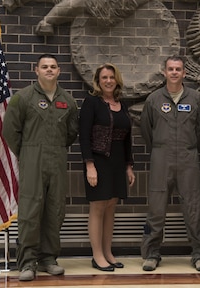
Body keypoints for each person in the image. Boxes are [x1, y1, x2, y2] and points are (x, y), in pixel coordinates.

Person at [2, 54, 79, 281]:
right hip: (32, 159)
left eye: (53, 67)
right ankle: (27, 262)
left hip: (57, 159)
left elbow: (71, 133)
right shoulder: (22, 98)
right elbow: (10, 131)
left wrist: (55, 149)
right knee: (30, 212)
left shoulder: (69, 100)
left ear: (59, 71)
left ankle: (49, 259)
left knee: (55, 211)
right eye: (44, 66)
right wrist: (27, 153)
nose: (49, 70)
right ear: (36, 70)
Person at [140, 55, 200, 272]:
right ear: (164, 72)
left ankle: (199, 255)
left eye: (178, 69)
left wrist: (188, 146)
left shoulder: (195, 97)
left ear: (184, 73)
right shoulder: (153, 99)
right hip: (161, 156)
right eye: (170, 69)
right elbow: (146, 130)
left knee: (193, 206)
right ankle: (151, 254)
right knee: (156, 207)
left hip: (188, 157)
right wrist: (162, 147)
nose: (174, 73)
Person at [78, 63, 135, 272]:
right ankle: (97, 255)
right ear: (98, 81)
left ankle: (108, 252)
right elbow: (84, 136)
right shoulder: (91, 102)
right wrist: (89, 165)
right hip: (98, 161)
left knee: (111, 207)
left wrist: (129, 166)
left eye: (111, 77)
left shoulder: (122, 104)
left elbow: (128, 139)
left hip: (118, 162)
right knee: (98, 207)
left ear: (117, 80)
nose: (108, 81)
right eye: (104, 78)